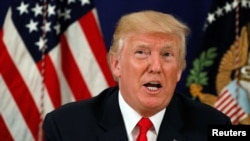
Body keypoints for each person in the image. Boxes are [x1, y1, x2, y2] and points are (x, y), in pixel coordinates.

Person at [42, 10, 231, 141]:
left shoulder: (213, 126)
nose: (156, 67)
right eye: (142, 52)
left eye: (167, 55)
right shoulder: (66, 127)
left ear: (179, 69)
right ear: (116, 65)